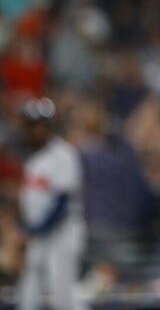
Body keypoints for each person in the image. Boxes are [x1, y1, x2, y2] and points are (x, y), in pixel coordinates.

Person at [17, 97, 88, 310]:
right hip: (40, 235)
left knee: (63, 298)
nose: (35, 131)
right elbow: (29, 203)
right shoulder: (33, 160)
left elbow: (62, 202)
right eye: (32, 126)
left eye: (40, 125)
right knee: (28, 295)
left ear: (49, 126)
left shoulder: (63, 155)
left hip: (62, 233)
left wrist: (33, 229)